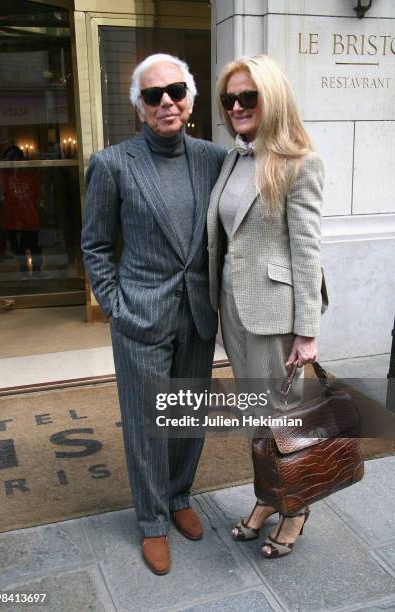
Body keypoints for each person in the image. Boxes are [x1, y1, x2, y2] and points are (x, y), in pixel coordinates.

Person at [81, 53, 226, 575]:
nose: (166, 101)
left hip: (196, 314)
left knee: (188, 416)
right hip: (140, 314)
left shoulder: (214, 158)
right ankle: (150, 521)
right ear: (140, 109)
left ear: (189, 98)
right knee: (147, 424)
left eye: (175, 91)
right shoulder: (112, 163)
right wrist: (116, 306)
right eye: (152, 95)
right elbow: (95, 244)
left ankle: (180, 496)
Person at [207, 55, 328, 559]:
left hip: (275, 315)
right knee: (259, 415)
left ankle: (295, 505)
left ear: (271, 99)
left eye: (247, 97)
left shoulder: (300, 161)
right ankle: (266, 497)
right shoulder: (235, 157)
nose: (236, 106)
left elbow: (307, 250)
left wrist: (307, 331)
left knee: (282, 419)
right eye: (229, 99)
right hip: (234, 310)